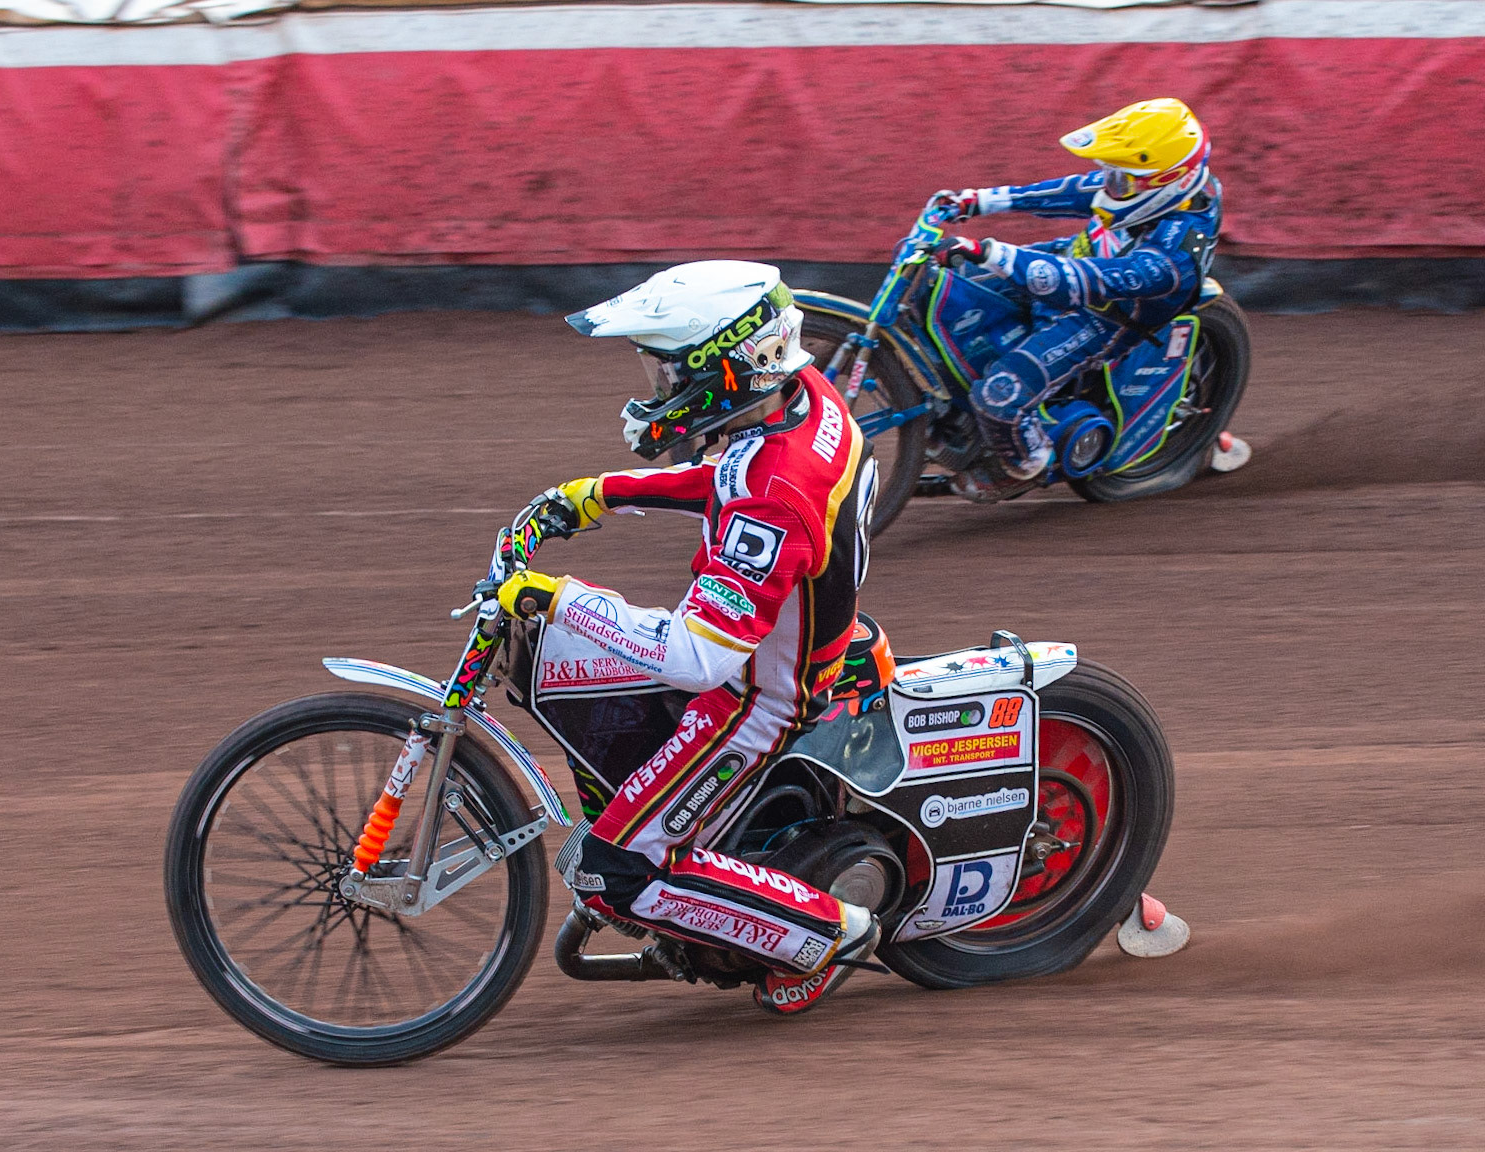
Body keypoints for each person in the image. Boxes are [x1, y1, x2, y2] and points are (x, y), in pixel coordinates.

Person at [495, 260, 882, 1015]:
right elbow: (730, 477)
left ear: (728, 368)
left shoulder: (776, 492)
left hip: (759, 699)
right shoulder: (804, 399)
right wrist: (603, 494)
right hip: (789, 637)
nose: (655, 390)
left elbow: (695, 655)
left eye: (669, 372)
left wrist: (558, 597)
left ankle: (830, 934)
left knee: (614, 870)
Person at [929, 97, 1229, 499]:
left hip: (1104, 315)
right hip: (1080, 260)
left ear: (1161, 180)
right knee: (949, 286)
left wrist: (993, 251)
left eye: (1120, 178)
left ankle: (1027, 463)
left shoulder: (1174, 255)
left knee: (998, 397)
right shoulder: (1152, 190)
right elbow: (1069, 191)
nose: (1107, 185)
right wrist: (976, 201)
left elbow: (1079, 282)